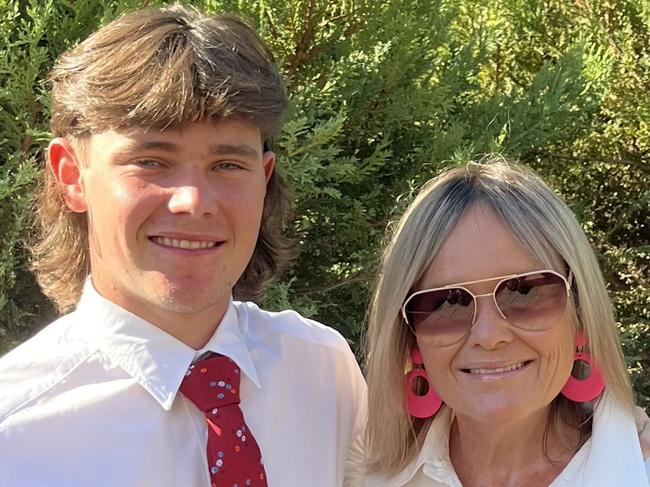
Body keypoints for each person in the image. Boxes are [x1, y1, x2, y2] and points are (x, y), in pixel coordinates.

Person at [0, 5, 365, 486]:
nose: (193, 201)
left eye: (228, 165)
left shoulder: (322, 372)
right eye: (151, 161)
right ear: (72, 176)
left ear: (264, 177)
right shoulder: (16, 434)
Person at [363, 159, 650, 486]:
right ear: (411, 338)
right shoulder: (370, 476)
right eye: (448, 301)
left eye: (524, 291)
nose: (488, 335)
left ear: (581, 313)